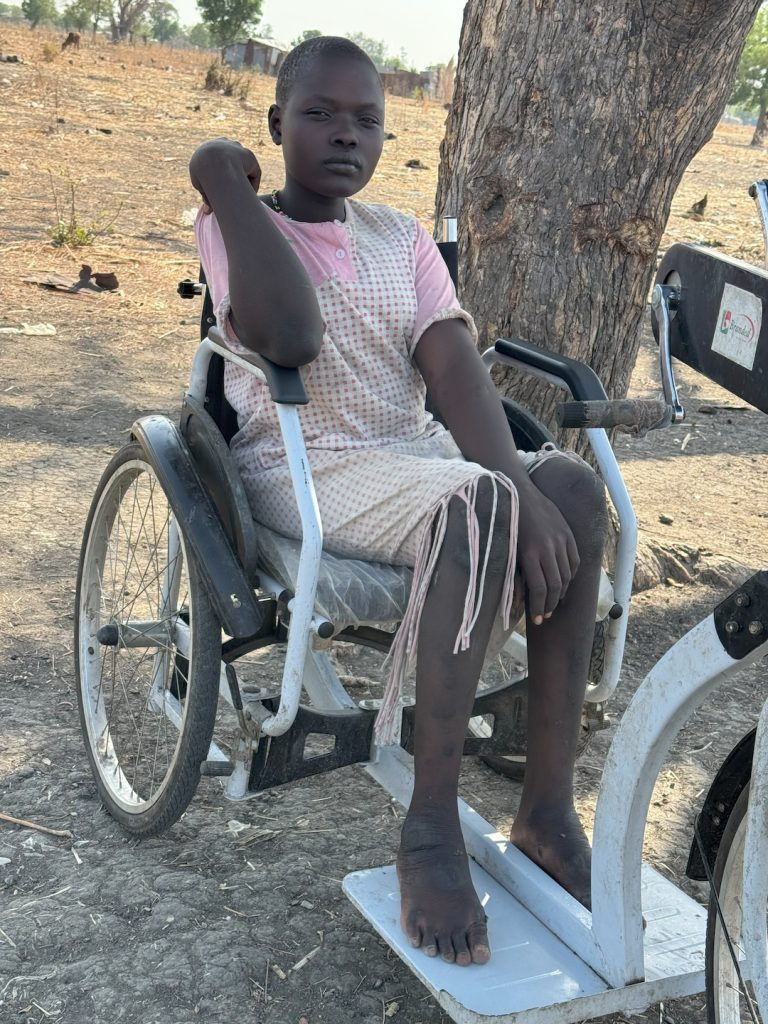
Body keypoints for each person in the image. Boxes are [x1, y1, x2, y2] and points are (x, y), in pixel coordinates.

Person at [189, 36, 608, 969]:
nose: (346, 135)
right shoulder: (233, 224)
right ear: (276, 127)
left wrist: (521, 485)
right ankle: (429, 828)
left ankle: (546, 809)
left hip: (410, 453)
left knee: (575, 491)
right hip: (305, 461)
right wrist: (218, 174)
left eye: (366, 120)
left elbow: (452, 372)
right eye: (319, 115)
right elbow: (289, 336)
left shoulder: (402, 237)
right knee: (477, 505)